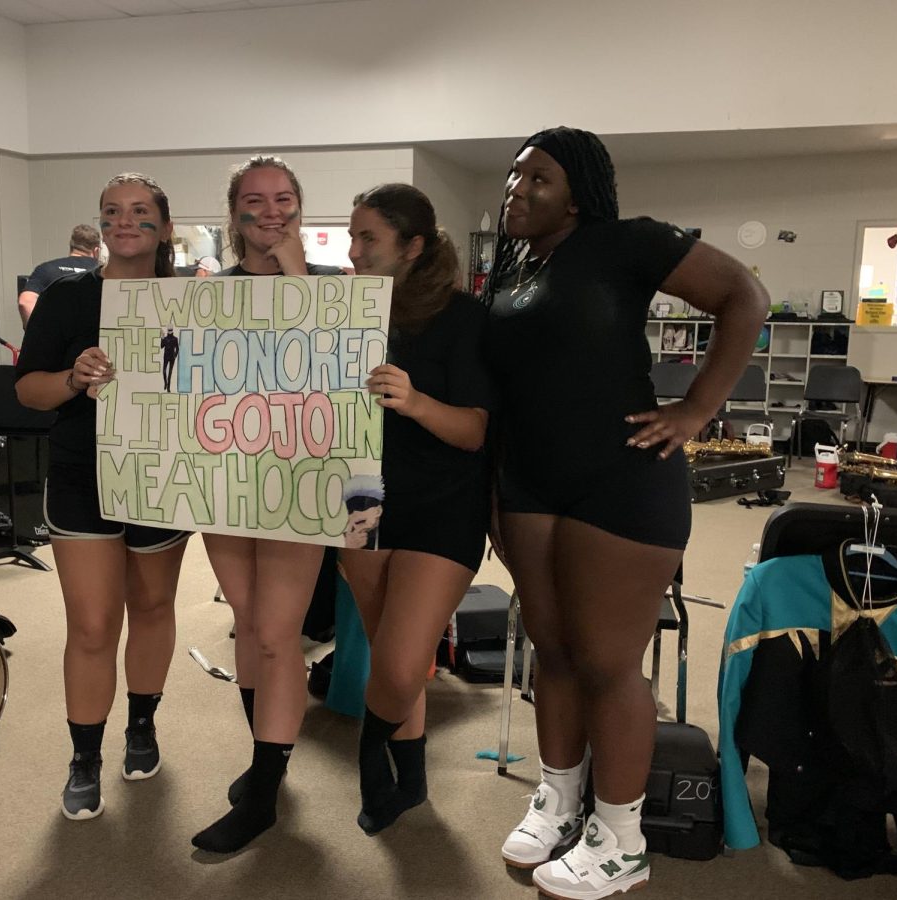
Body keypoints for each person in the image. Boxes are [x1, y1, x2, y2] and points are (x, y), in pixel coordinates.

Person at [483, 127, 768, 899]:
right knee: (554, 649)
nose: (517, 190)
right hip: (529, 485)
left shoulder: (625, 243)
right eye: (513, 178)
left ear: (577, 193)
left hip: (620, 477)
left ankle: (621, 839)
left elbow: (745, 296)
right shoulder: (509, 276)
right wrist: (494, 494)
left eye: (537, 179)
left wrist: (699, 407)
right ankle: (560, 798)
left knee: (609, 661)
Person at [15, 174, 191, 821]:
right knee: (91, 626)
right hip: (82, 472)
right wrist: (71, 376)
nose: (125, 221)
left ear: (164, 227)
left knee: (152, 604)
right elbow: (28, 391)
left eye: (141, 211)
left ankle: (141, 724)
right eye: (112, 211)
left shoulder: (192, 302)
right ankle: (83, 757)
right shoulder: (65, 298)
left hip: (163, 472)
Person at [191, 155, 344, 854]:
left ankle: (261, 791)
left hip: (300, 482)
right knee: (252, 627)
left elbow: (335, 369)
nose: (269, 210)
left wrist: (296, 276)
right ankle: (266, 766)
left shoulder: (336, 289)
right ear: (234, 212)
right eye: (254, 200)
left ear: (300, 210)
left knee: (282, 636)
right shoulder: (209, 293)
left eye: (283, 199)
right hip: (226, 479)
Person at [338, 183, 494, 835]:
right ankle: (415, 780)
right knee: (388, 655)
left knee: (402, 665)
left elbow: (475, 430)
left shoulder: (464, 318)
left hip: (444, 509)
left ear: (413, 246)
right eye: (352, 235)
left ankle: (371, 757)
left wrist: (415, 400)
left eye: (368, 237)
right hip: (360, 502)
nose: (353, 250)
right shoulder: (347, 310)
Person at [18, 224, 101, 327]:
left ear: (72, 246)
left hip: (56, 338)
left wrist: (40, 334)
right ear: (96, 251)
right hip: (97, 340)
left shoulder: (46, 269)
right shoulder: (104, 271)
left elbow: (25, 302)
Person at [160, 327, 178, 391]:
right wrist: (162, 337)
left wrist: (175, 355)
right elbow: (161, 346)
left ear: (172, 330)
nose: (170, 331)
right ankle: (166, 383)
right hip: (166, 357)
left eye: (171, 330)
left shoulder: (175, 339)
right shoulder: (165, 338)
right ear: (167, 331)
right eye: (169, 330)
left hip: (172, 357)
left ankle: (168, 387)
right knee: (164, 371)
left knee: (170, 373)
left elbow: (177, 348)